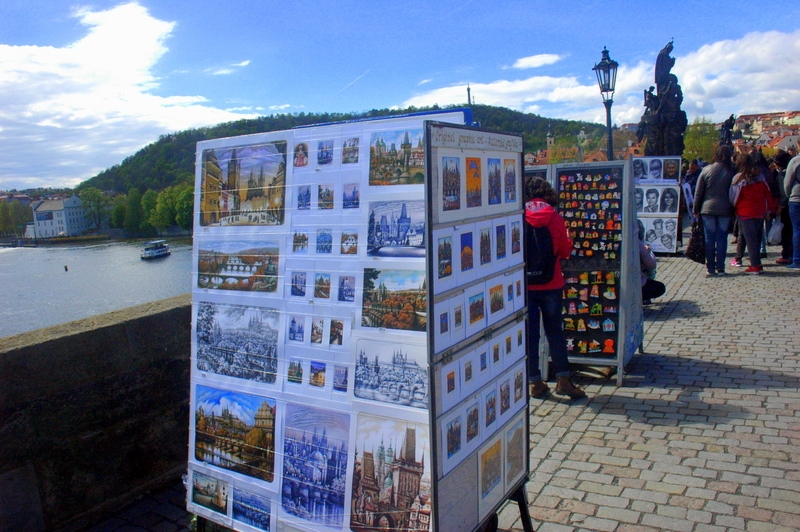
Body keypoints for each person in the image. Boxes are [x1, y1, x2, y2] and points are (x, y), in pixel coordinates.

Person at [524, 176, 586, 400]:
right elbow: (564, 251)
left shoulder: (517, 215)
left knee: (529, 334)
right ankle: (563, 380)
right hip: (551, 284)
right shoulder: (554, 217)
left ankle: (534, 382)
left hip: (525, 286)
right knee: (554, 333)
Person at [729, 153, 775, 274]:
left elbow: (734, 196)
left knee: (750, 240)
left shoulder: (738, 178)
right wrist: (768, 209)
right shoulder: (759, 176)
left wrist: (734, 207)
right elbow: (767, 193)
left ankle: (755, 265)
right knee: (757, 237)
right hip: (759, 211)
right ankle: (757, 263)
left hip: (745, 211)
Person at [694, 144, 735, 276]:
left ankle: (710, 267)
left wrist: (696, 209)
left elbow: (698, 192)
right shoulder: (732, 170)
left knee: (709, 238)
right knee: (722, 238)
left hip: (708, 208)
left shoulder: (706, 170)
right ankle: (721, 267)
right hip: (725, 207)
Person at [774, 150, 794, 265]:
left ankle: (787, 254)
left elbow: (783, 193)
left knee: (787, 231)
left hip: (787, 206)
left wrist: (780, 206)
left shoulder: (782, 175)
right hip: (793, 203)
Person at [639, 234, 666, 304]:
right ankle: (642, 298)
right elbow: (651, 265)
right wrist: (648, 252)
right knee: (660, 288)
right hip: (635, 284)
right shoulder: (638, 244)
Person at [784, 150, 800, 269]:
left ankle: (797, 259)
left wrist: (789, 195)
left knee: (797, 230)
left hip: (797, 198)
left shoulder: (795, 161)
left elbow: (787, 183)